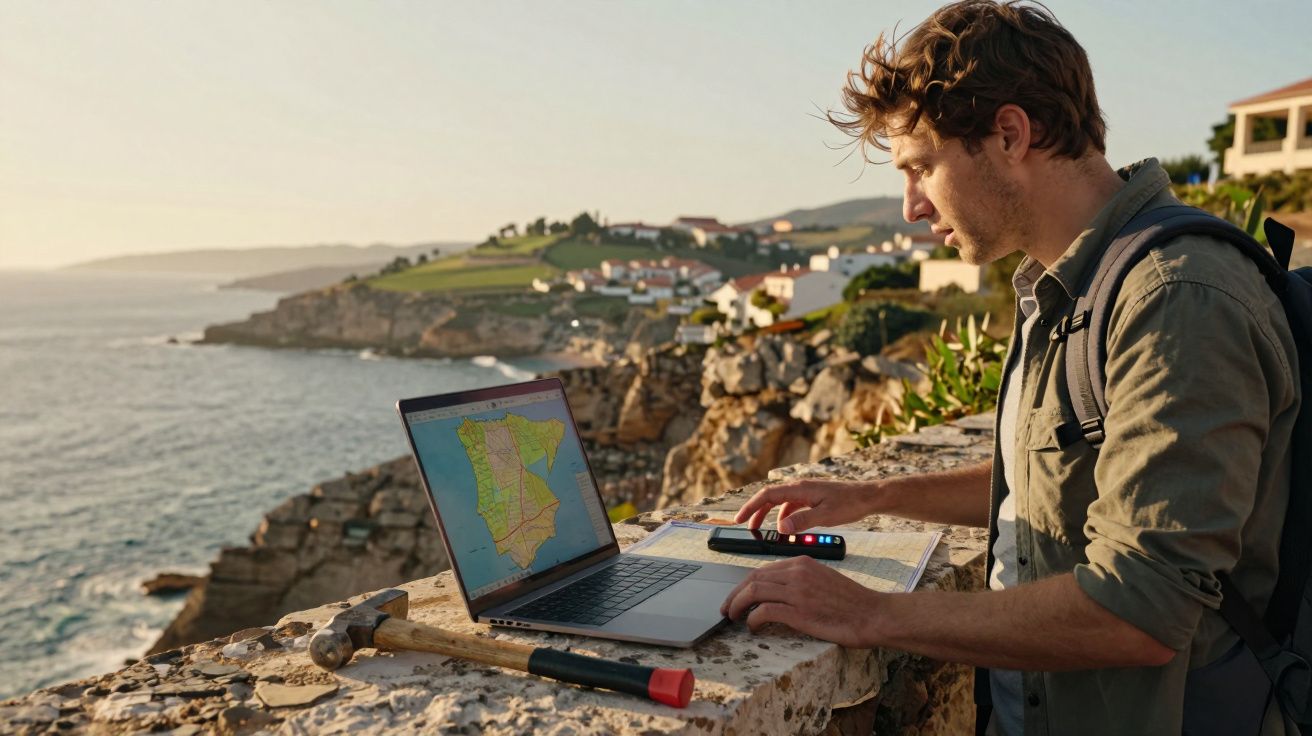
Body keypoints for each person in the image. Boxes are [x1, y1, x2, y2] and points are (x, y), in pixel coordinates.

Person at [718, 2, 1301, 734]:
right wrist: (878, 495)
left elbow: (1143, 608)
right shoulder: (1064, 285)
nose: (910, 208)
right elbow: (1058, 482)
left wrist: (869, 614)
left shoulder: (1177, 299)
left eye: (922, 167)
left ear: (1010, 134)